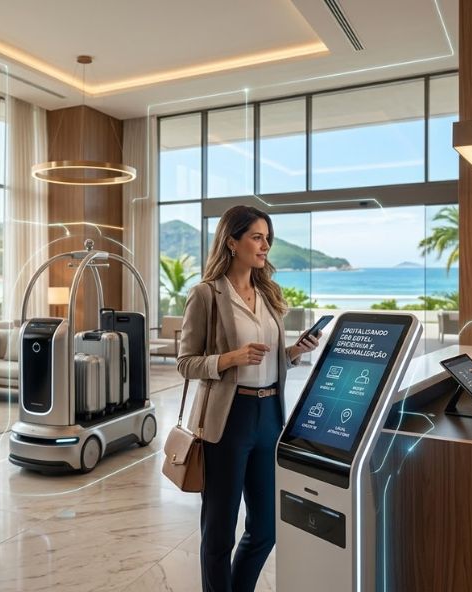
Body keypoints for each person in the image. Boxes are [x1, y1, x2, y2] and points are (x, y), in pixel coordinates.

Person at [177, 205, 321, 592]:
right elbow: (185, 363)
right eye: (257, 237)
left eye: (267, 238)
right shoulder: (206, 295)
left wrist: (293, 351)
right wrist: (229, 359)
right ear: (232, 241)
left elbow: (271, 358)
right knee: (220, 531)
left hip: (270, 415)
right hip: (230, 418)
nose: (266, 245)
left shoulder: (268, 295)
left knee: (266, 528)